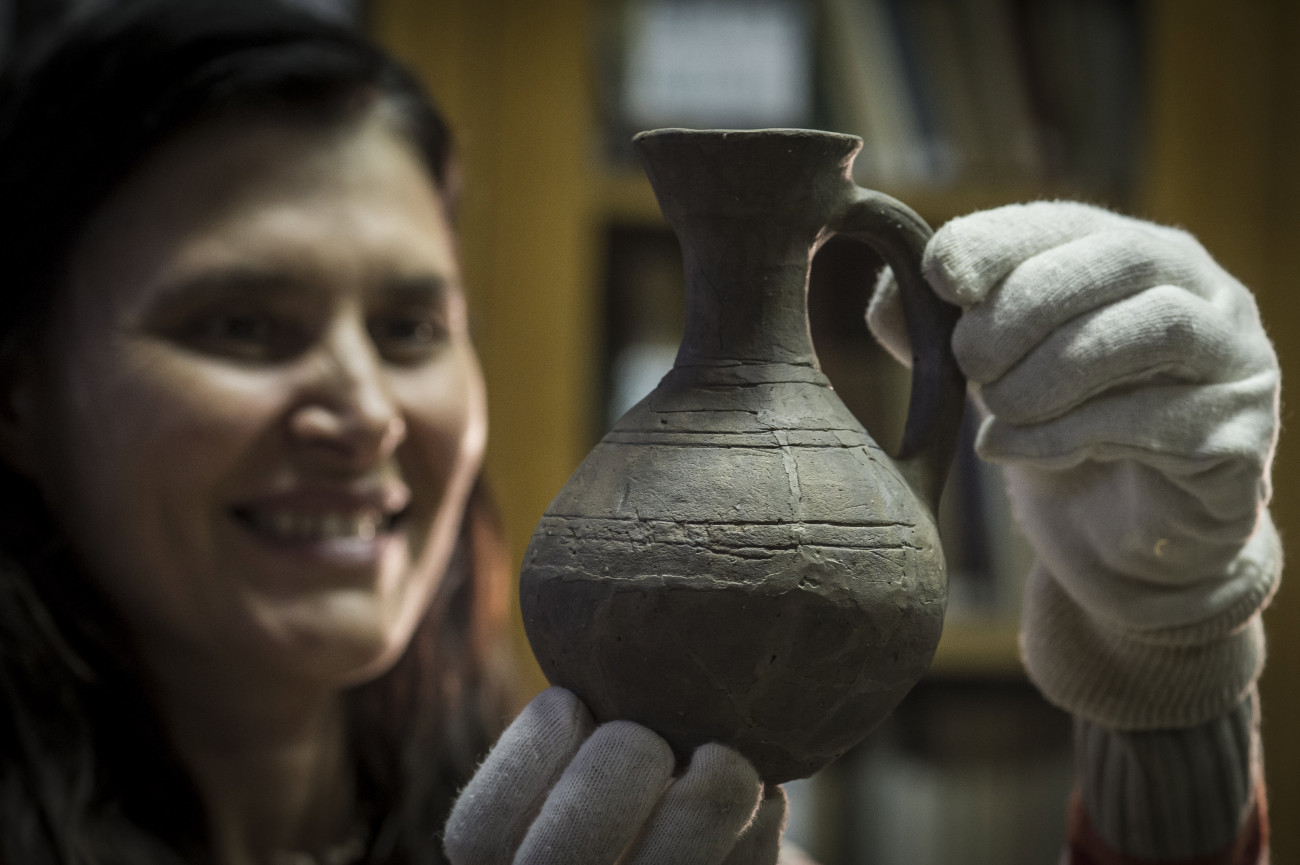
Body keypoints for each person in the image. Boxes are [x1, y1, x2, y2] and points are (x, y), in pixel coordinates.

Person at [0, 2, 1279, 864]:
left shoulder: (589, 775)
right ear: (19, 391)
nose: (370, 408)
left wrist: (1165, 681)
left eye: (410, 327)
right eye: (238, 325)